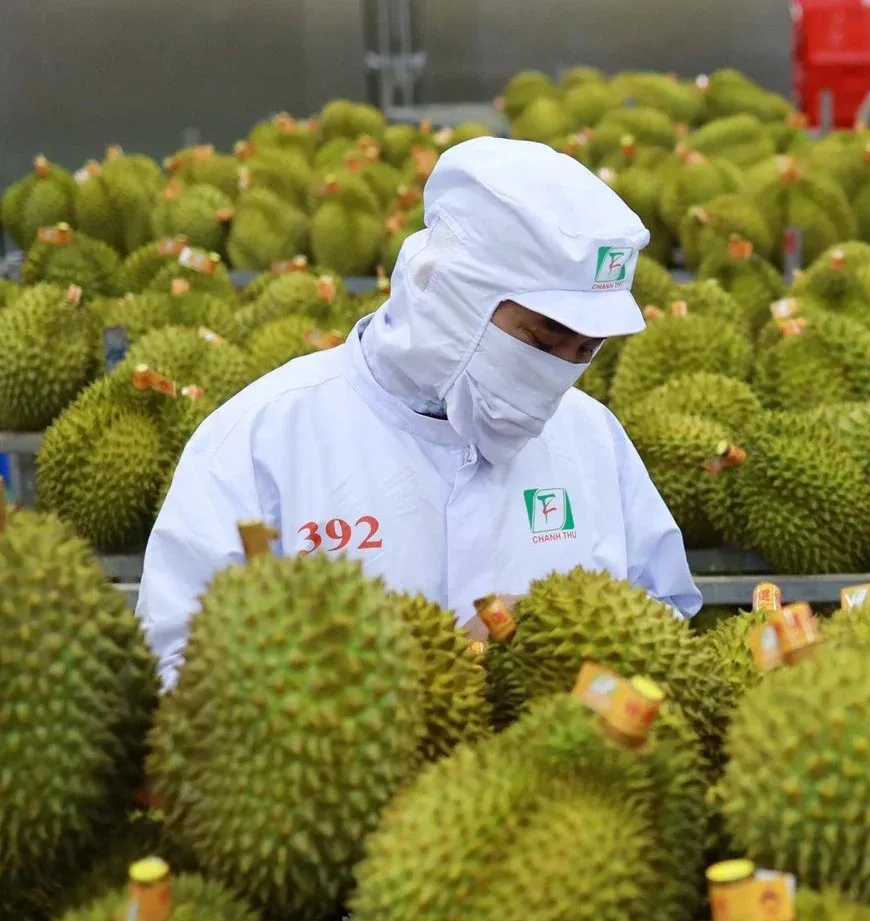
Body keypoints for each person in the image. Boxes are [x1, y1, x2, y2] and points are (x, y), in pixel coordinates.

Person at [137, 137, 700, 684]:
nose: (559, 370)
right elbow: (176, 667)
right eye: (542, 341)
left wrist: (574, 646)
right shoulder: (260, 441)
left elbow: (664, 624)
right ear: (452, 295)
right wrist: (372, 679)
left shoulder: (592, 438)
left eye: (586, 350)